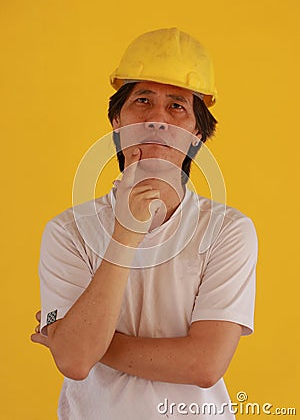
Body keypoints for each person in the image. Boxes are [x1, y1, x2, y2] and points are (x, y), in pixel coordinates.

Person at [31, 28, 257, 419]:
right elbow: (74, 364)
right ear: (116, 120)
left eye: (176, 107)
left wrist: (81, 342)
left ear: (197, 134)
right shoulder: (67, 232)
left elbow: (204, 366)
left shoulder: (228, 231)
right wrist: (123, 238)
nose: (156, 119)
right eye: (142, 101)